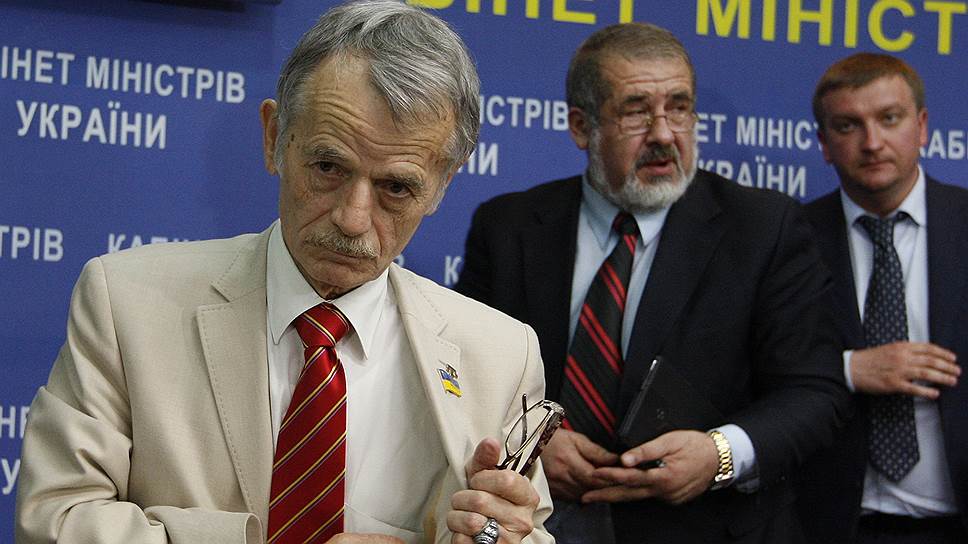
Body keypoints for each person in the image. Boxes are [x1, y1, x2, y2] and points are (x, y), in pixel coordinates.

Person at [14, 2, 554, 543]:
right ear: (274, 136)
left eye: (396, 187)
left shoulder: (500, 356)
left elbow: (520, 532)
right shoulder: (125, 303)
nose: (352, 219)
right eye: (328, 167)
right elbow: (55, 520)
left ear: (442, 184)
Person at [455, 21, 849, 544]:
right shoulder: (508, 227)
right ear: (581, 127)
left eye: (679, 108)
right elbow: (461, 374)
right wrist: (529, 441)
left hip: (705, 529)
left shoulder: (764, 228)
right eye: (636, 111)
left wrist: (720, 453)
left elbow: (815, 391)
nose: (664, 134)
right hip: (538, 524)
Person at [797, 53, 967, 543]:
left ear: (922, 127)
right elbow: (756, 368)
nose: (872, 143)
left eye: (889, 119)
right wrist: (850, 369)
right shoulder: (790, 240)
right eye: (848, 126)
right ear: (823, 144)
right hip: (834, 525)